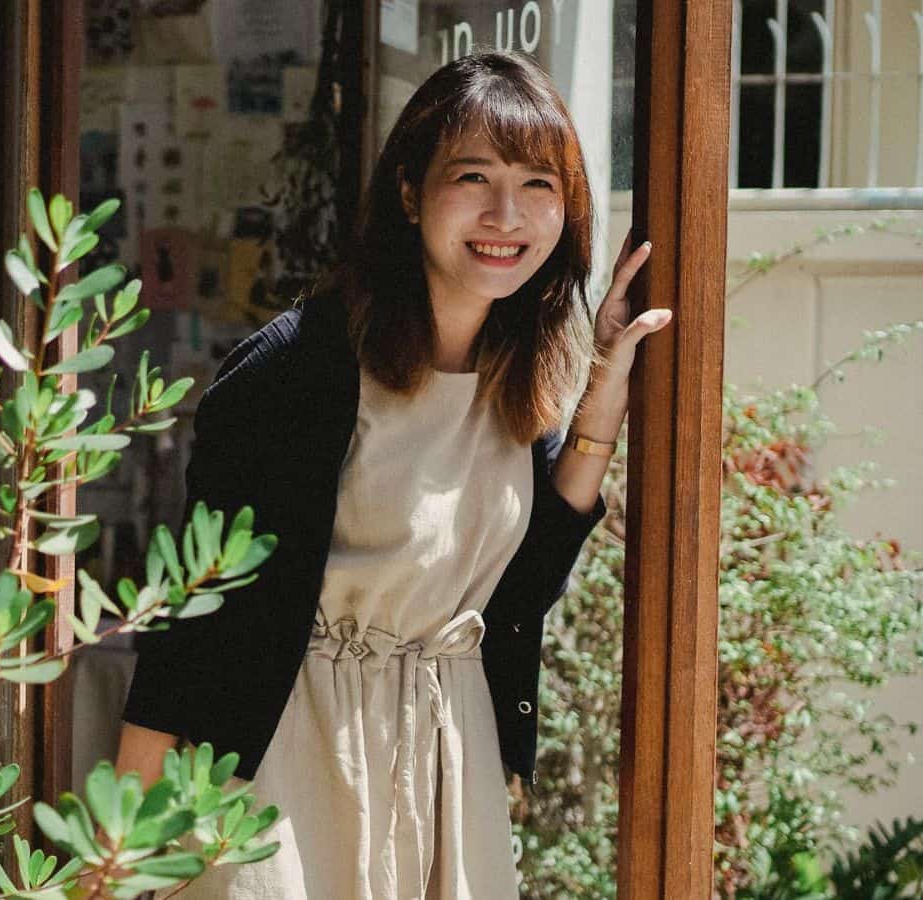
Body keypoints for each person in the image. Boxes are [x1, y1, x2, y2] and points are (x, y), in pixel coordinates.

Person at [112, 51, 673, 899]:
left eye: (538, 186)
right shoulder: (302, 370)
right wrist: (119, 855)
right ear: (410, 194)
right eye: (474, 176)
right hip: (291, 756)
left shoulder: (516, 377)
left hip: (446, 758)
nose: (505, 214)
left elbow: (517, 593)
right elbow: (197, 621)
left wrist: (602, 385)